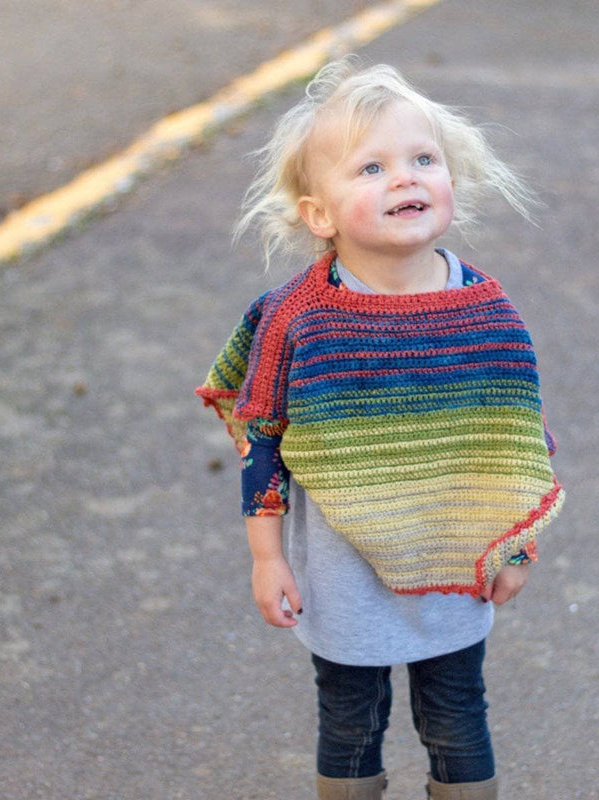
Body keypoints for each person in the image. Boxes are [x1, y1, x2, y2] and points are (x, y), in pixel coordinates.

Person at [197, 56, 564, 800]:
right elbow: (263, 439)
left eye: (423, 159)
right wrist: (267, 559)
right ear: (319, 215)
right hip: (340, 579)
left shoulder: (487, 315)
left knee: (457, 717)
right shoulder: (296, 318)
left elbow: (519, 445)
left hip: (456, 566)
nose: (405, 178)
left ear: (451, 181)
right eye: (371, 168)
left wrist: (515, 544)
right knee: (350, 721)